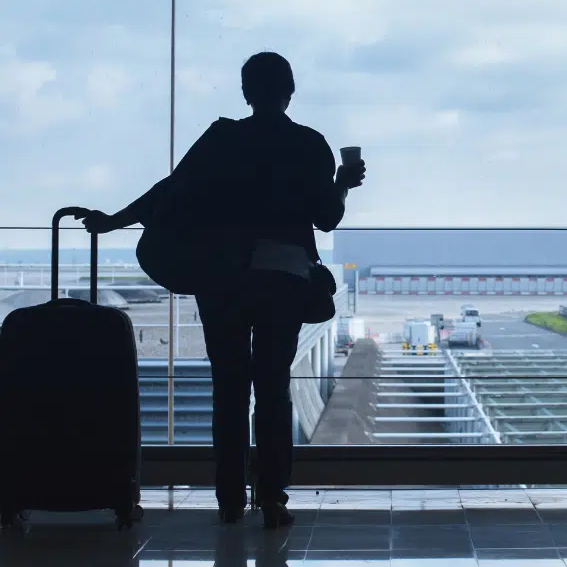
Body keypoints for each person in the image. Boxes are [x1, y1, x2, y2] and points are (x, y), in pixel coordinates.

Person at [82, 52, 366, 529]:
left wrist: (114, 221)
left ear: (245, 93)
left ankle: (230, 500)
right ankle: (272, 499)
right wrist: (342, 184)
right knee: (272, 390)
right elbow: (326, 218)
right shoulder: (309, 143)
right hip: (284, 280)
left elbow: (169, 191)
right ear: (289, 91)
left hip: (223, 280)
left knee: (228, 390)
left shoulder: (222, 138)